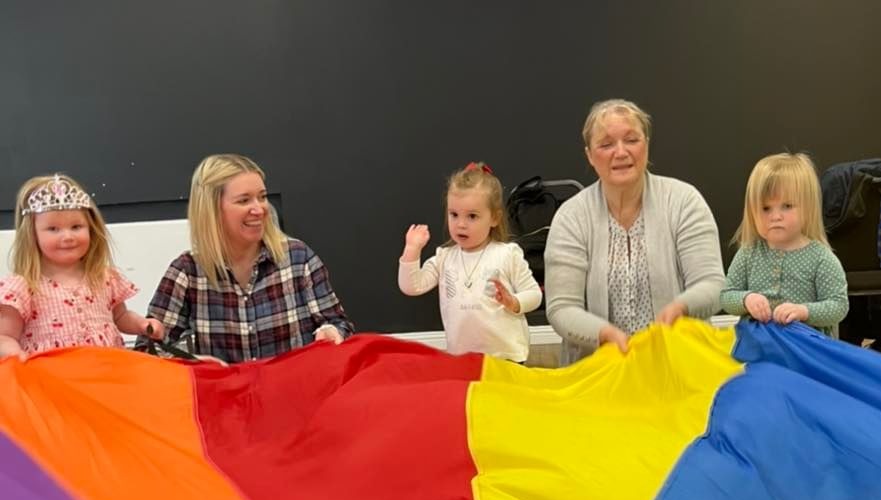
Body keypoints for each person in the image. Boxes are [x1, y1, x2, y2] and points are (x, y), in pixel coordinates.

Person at [544, 98, 725, 362]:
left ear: (647, 145)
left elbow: (713, 284)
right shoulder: (571, 217)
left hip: (679, 364)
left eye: (631, 140)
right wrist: (603, 334)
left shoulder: (685, 201)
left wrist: (680, 307)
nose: (620, 152)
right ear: (590, 156)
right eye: (606, 144)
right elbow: (562, 308)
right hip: (599, 372)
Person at [143, 154, 352, 364]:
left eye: (262, 197)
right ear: (212, 210)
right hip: (227, 395)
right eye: (244, 200)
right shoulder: (187, 271)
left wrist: (332, 332)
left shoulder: (298, 257)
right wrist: (191, 365)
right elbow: (148, 349)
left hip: (294, 392)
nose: (260, 209)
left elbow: (340, 325)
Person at [0, 174, 163, 360]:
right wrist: (17, 355)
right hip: (52, 379)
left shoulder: (104, 277)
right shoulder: (23, 288)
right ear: (32, 235)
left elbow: (120, 317)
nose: (68, 236)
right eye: (53, 229)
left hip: (106, 372)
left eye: (76, 227)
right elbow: (4, 336)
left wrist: (142, 325)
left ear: (91, 228)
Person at [398, 162, 541, 362]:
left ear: (494, 218)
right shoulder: (444, 257)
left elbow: (535, 294)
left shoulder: (507, 254)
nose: (461, 224)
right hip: (462, 358)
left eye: (472, 216)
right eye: (454, 215)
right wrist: (412, 251)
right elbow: (412, 286)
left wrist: (514, 302)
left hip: (506, 356)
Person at [720, 152, 848, 334]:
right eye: (765, 208)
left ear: (807, 207)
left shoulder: (820, 257)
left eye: (787, 206)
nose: (775, 216)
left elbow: (839, 306)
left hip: (806, 349)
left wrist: (804, 311)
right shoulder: (749, 253)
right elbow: (726, 296)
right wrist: (746, 299)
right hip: (760, 347)